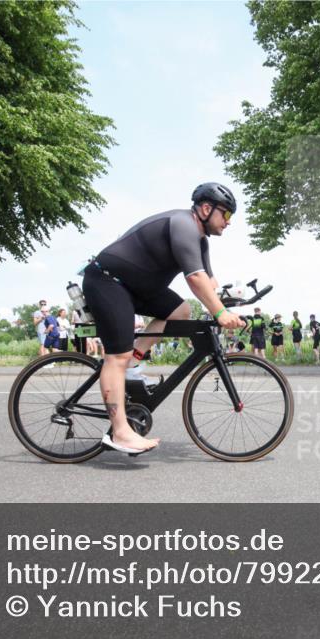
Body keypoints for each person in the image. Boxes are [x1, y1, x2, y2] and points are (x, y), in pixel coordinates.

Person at [80, 182, 245, 454]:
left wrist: (232, 304)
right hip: (107, 281)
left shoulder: (201, 240)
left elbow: (209, 282)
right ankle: (120, 432)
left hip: (135, 286)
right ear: (206, 208)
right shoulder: (183, 225)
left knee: (181, 312)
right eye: (226, 215)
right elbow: (194, 279)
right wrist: (220, 313)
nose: (228, 222)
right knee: (116, 356)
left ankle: (133, 364)